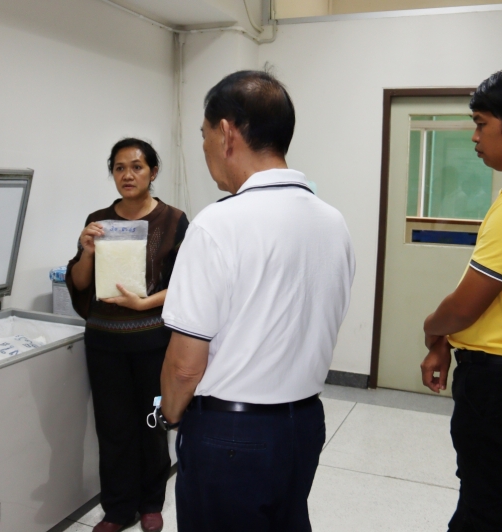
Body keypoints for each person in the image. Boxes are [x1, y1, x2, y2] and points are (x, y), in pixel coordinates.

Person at [157, 71, 355, 531]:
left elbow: (185, 366)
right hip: (303, 424)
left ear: (226, 133)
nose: (204, 147)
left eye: (204, 134)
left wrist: (169, 415)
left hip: (231, 436)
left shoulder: (217, 225)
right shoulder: (332, 221)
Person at [421, 67, 502, 532]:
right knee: (492, 498)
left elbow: (465, 306)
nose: (474, 137)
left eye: (481, 124)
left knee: (488, 507)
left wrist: (432, 330)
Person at [66, 138, 189, 532]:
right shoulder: (99, 220)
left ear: (153, 172)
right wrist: (87, 251)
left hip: (153, 343)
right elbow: (79, 283)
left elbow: (186, 284)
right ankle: (117, 509)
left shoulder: (174, 220)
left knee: (152, 423)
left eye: (137, 166)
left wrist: (145, 303)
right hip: (104, 343)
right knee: (113, 428)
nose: (128, 175)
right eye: (119, 168)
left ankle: (151, 502)